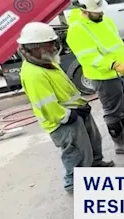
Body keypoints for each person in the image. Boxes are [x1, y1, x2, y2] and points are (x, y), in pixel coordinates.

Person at [18, 22, 114, 193]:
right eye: (49, 43)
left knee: (92, 143)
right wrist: (69, 116)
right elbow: (46, 105)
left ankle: (96, 169)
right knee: (76, 152)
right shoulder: (34, 74)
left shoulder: (44, 61)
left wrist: (81, 104)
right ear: (36, 47)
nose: (53, 46)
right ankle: (75, 183)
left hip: (75, 110)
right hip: (63, 120)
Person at [66, 0, 124, 154]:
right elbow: (89, 57)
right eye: (96, 12)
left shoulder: (104, 20)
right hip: (104, 76)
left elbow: (116, 44)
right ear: (84, 10)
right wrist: (113, 64)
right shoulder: (77, 29)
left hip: (122, 71)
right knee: (113, 111)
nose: (100, 14)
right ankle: (120, 143)